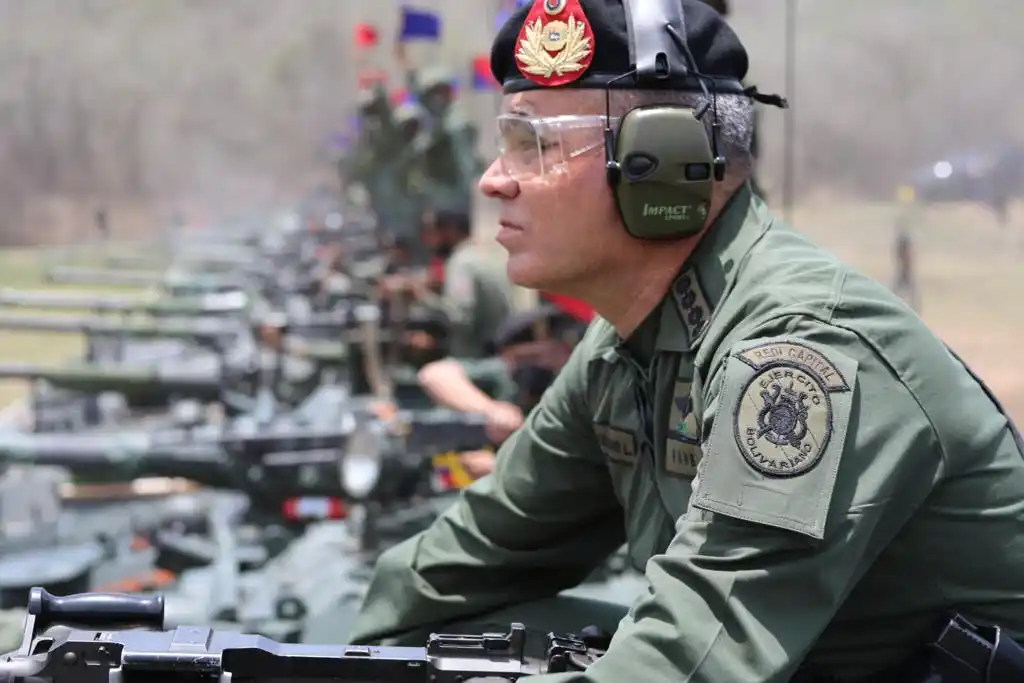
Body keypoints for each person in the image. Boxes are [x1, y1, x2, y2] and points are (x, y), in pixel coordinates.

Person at [349, 1, 1024, 681]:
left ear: (658, 163)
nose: (495, 179)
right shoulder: (624, 344)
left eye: (537, 144)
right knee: (457, 639)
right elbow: (454, 570)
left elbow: (689, 663)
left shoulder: (799, 349)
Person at [418, 305, 586, 478]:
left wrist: (503, 467)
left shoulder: (578, 390)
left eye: (553, 354)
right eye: (530, 358)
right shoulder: (505, 376)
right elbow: (435, 374)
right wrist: (490, 409)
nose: (542, 365)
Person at [384, 209, 514, 360]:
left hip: (477, 358)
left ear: (450, 230)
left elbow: (460, 318)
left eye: (432, 232)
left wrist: (421, 296)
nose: (427, 240)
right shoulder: (479, 255)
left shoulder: (462, 263)